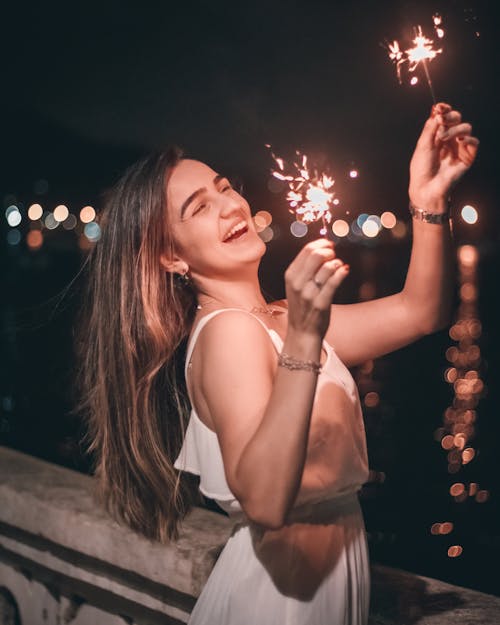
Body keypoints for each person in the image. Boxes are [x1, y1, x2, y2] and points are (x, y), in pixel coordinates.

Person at [75, 103, 478, 625]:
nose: (229, 205)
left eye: (224, 186)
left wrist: (427, 202)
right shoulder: (229, 334)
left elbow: (419, 312)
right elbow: (265, 500)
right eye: (197, 208)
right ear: (171, 258)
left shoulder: (278, 320)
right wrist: (306, 340)